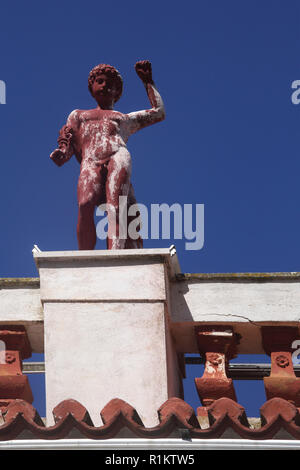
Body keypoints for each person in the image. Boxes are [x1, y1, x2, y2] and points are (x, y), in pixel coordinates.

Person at [50, 60, 165, 250]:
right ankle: (85, 258)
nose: (104, 86)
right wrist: (62, 153)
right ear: (92, 85)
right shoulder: (78, 115)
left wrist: (148, 82)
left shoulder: (123, 118)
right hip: (90, 161)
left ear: (117, 91)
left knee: (116, 207)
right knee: (85, 204)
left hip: (117, 155)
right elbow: (68, 140)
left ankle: (115, 255)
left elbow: (158, 113)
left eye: (109, 84)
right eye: (100, 81)